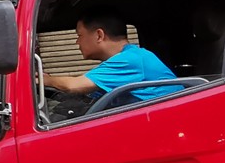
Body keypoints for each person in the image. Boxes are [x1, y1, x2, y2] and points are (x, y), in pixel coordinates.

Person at [48, 9, 183, 105]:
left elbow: (74, 86)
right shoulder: (126, 60)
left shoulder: (131, 59)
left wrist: (45, 80)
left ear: (99, 35)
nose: (77, 42)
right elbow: (87, 97)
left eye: (79, 35)